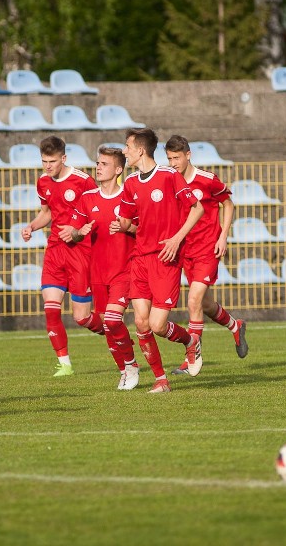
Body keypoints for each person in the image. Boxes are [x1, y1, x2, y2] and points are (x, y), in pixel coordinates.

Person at [117, 128, 204, 393]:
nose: (125, 152)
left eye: (128, 147)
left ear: (141, 150)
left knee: (156, 325)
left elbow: (197, 208)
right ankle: (161, 380)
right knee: (141, 324)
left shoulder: (168, 176)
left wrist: (177, 238)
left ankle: (191, 341)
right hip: (140, 259)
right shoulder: (130, 183)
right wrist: (121, 222)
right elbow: (127, 221)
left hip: (165, 259)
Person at [164, 135, 249, 377]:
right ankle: (236, 325)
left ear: (188, 155)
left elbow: (229, 204)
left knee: (193, 302)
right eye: (169, 158)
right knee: (206, 304)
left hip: (207, 250)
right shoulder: (171, 182)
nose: (173, 163)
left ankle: (191, 358)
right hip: (185, 252)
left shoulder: (207, 180)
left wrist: (223, 237)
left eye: (176, 158)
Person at [21, 135, 103, 377]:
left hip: (81, 252)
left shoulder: (83, 181)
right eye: (44, 161)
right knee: (51, 308)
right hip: (55, 251)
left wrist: (78, 231)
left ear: (63, 158)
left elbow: (98, 213)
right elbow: (47, 212)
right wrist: (31, 227)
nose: (48, 166)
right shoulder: (43, 182)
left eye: (52, 161)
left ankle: (112, 330)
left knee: (82, 318)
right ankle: (64, 363)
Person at [61, 146, 140, 390]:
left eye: (104, 164)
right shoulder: (88, 199)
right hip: (98, 273)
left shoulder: (129, 197)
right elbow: (72, 234)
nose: (98, 167)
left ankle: (132, 365)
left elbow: (143, 229)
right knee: (108, 325)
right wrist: (77, 232)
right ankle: (125, 369)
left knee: (114, 320)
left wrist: (127, 228)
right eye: (98, 163)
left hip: (124, 269)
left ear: (118, 169)